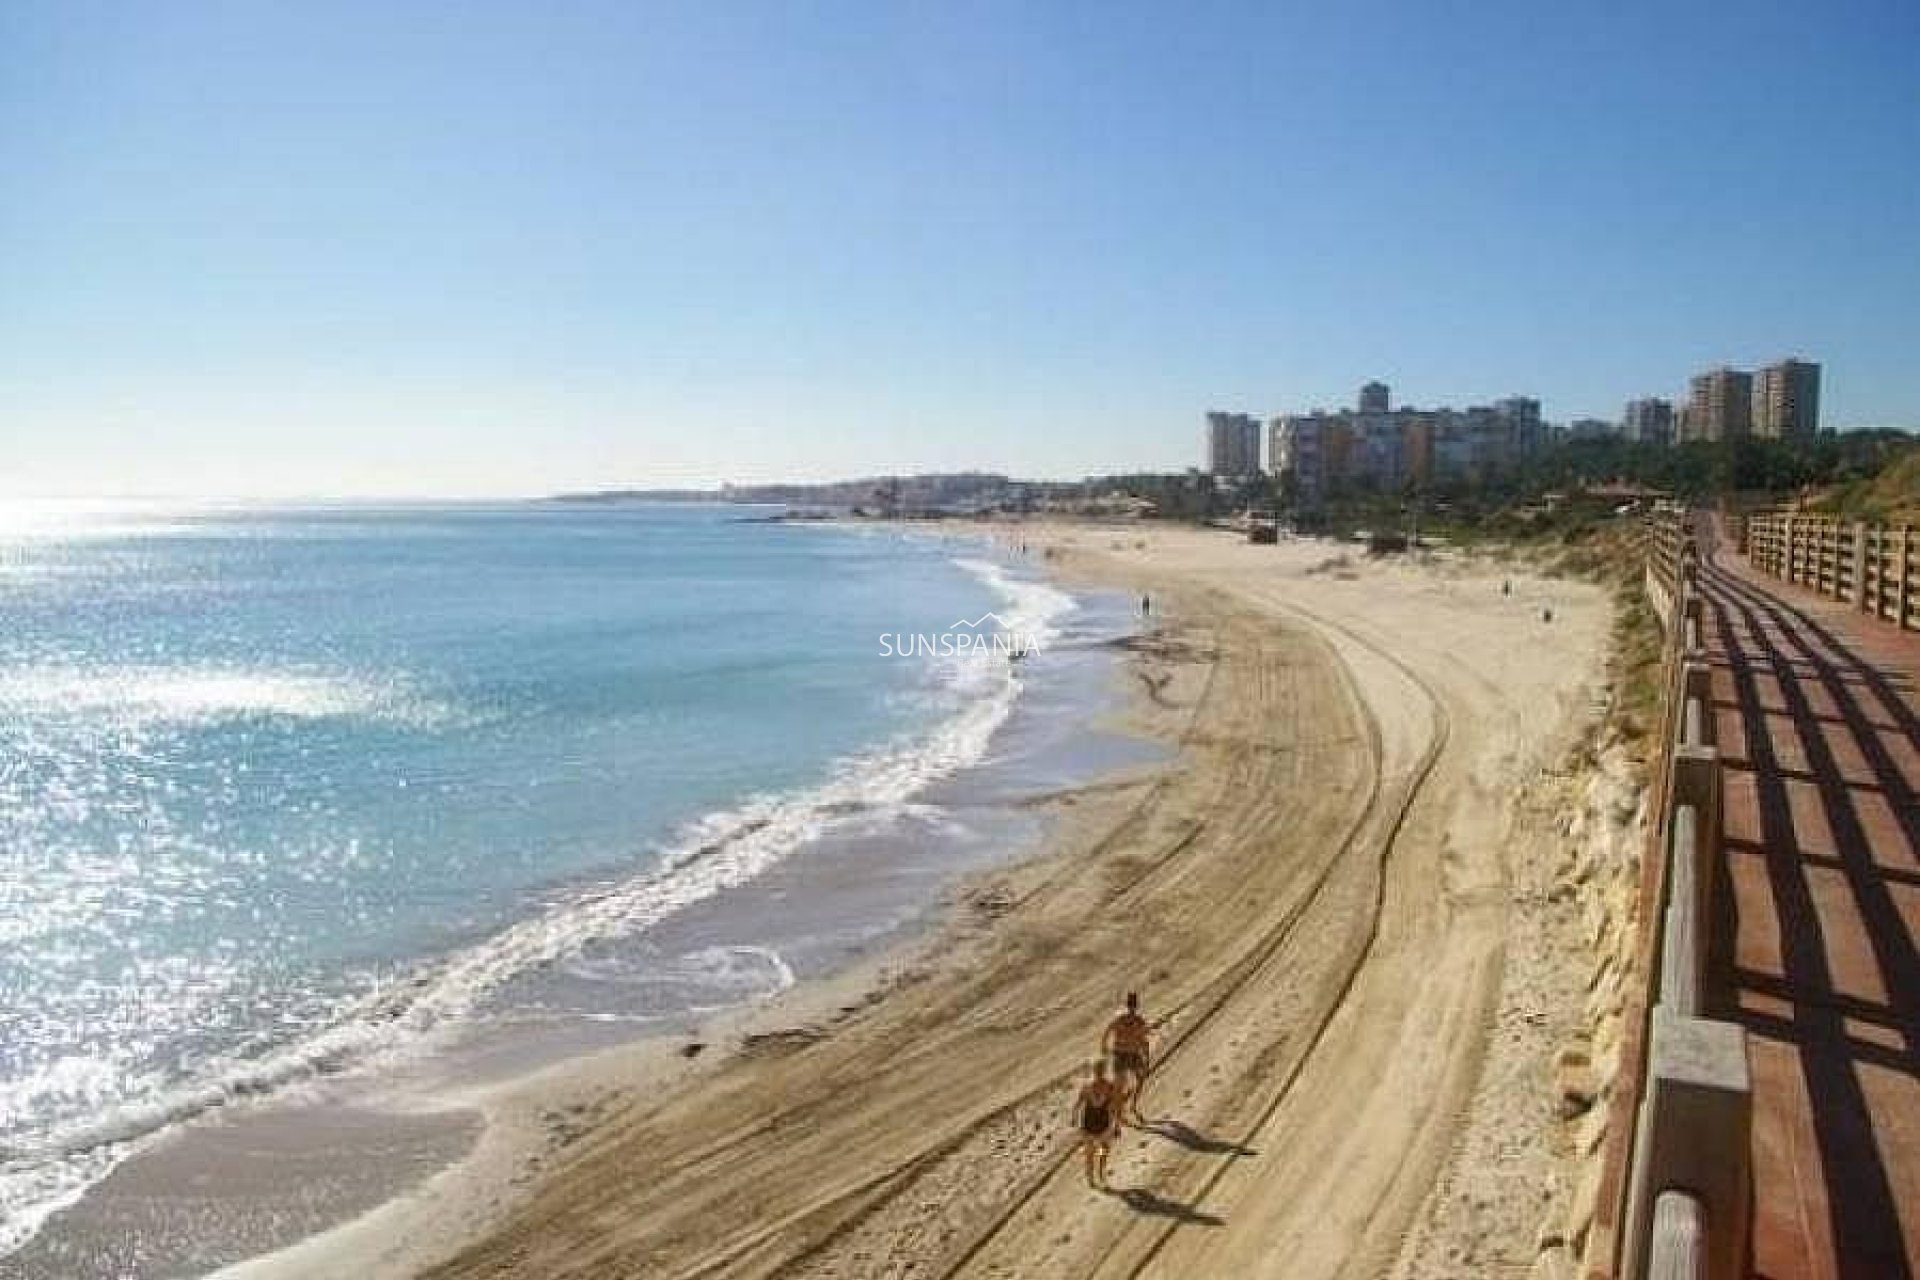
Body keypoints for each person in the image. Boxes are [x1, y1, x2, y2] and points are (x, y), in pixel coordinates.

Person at [1103, 991, 1153, 1125]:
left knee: (1127, 1082)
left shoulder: (1122, 1019)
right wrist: (1147, 1056)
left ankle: (1127, 1109)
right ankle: (1124, 1110)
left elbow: (1107, 1032)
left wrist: (1104, 1046)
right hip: (1127, 1054)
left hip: (1125, 1054)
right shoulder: (1136, 1020)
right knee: (1126, 1083)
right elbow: (1144, 1041)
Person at [1073, 1058, 1121, 1188]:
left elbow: (1115, 1107)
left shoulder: (1109, 1087)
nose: (1098, 1072)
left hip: (1102, 1124)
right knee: (1092, 1153)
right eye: (1097, 1070)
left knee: (1102, 1151)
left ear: (1104, 1070)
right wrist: (1077, 1125)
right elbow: (1077, 1106)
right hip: (1090, 1125)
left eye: (1100, 1070)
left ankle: (1099, 1175)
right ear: (1094, 1071)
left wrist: (1116, 1124)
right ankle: (1092, 1178)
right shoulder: (1088, 1087)